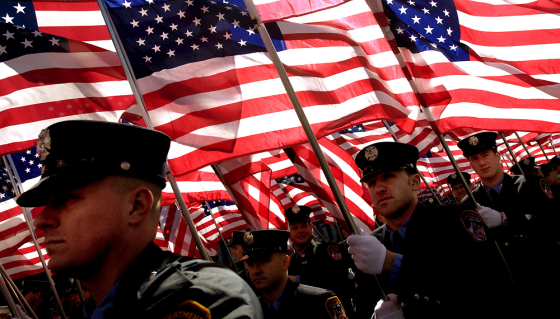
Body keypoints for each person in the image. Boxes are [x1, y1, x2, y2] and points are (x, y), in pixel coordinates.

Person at [16, 120, 262, 319]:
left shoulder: (197, 296)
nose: (41, 221)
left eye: (67, 198)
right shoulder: (87, 312)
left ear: (136, 206)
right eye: (47, 203)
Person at [347, 142, 514, 319]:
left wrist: (396, 264)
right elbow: (362, 307)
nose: (379, 188)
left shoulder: (456, 218)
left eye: (388, 176)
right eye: (371, 182)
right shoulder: (370, 244)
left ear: (415, 182)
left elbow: (490, 285)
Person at [457, 132, 560, 317]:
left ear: (498, 156)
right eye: (475, 158)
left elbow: (552, 224)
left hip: (545, 281)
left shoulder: (531, 185)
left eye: (486, 155)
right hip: (505, 295)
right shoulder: (467, 204)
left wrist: (506, 219)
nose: (481, 162)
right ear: (470, 164)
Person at [242, 229, 347, 319]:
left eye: (264, 261)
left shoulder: (318, 302)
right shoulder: (249, 313)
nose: (256, 270)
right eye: (250, 263)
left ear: (285, 262)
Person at [285, 206, 354, 316]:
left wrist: (297, 280)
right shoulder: (289, 263)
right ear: (289, 234)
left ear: (311, 227)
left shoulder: (327, 250)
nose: (300, 231)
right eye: (295, 228)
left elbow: (337, 280)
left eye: (304, 226)